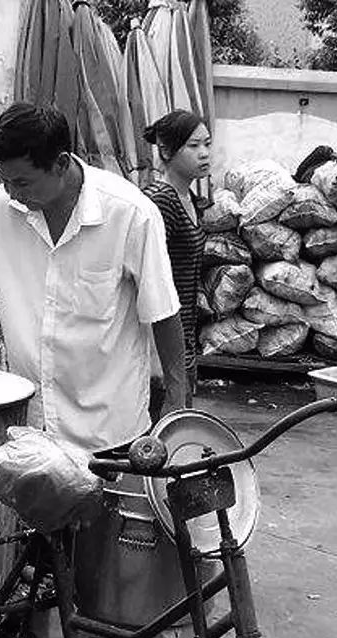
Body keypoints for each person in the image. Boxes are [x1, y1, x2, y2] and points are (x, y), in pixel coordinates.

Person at [0, 102, 187, 452]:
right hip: (30, 426)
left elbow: (162, 310)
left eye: (22, 182)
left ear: (60, 163)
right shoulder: (0, 208)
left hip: (109, 431)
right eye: (5, 181)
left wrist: (176, 400)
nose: (12, 193)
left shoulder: (130, 214)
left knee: (110, 508)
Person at [142, 110, 212, 416]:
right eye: (193, 146)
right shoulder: (160, 201)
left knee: (180, 432)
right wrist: (160, 361)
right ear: (167, 151)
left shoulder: (190, 199)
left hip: (183, 335)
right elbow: (148, 280)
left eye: (207, 144)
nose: (204, 154)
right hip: (160, 344)